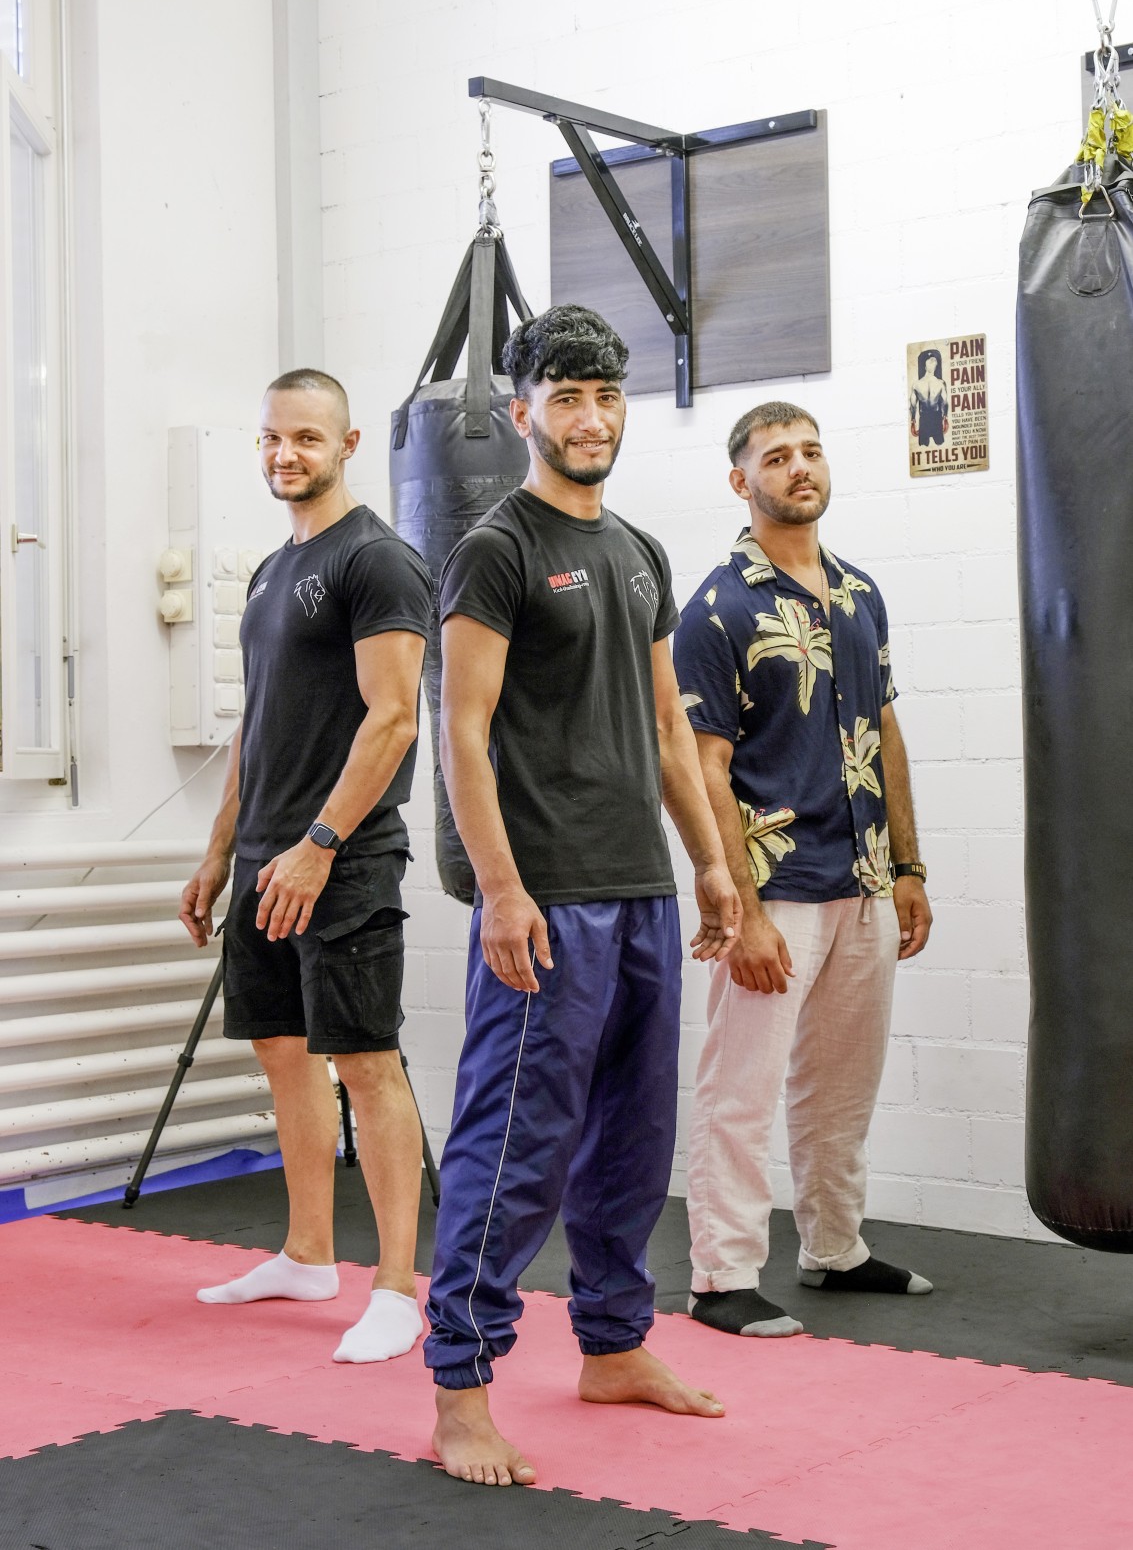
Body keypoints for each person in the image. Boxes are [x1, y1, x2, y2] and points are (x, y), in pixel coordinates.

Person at [425, 305, 742, 1487]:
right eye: (565, 395)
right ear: (521, 413)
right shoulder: (495, 547)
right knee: (515, 1144)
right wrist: (500, 889)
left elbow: (668, 721)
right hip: (546, 897)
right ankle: (460, 1386)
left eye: (605, 395)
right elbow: (461, 730)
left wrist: (709, 860)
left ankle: (613, 1344)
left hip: (641, 890)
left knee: (630, 1141)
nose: (589, 416)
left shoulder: (641, 552)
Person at [180, 368, 433, 1365]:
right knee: (283, 1052)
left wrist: (319, 844)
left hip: (343, 856)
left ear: (349, 441)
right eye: (272, 438)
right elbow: (257, 723)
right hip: (263, 856)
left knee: (364, 1063)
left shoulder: (378, 560)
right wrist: (218, 852)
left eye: (306, 438)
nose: (286, 453)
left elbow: (395, 713)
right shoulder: (270, 572)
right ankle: (306, 1251)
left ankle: (399, 1286)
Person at [674, 400, 933, 1341]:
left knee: (841, 1085)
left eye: (811, 451)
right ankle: (720, 1275)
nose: (799, 467)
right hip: (775, 884)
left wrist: (906, 863)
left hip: (863, 877)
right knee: (739, 1087)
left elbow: (885, 729)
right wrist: (738, 909)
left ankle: (834, 1248)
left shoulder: (860, 592)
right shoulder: (715, 606)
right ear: (741, 481)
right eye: (775, 457)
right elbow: (701, 767)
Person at [909, 348, 949, 446]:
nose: (934, 363)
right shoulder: (916, 384)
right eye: (931, 361)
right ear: (924, 365)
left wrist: (945, 418)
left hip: (936, 418)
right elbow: (913, 405)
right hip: (924, 420)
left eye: (935, 361)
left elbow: (945, 403)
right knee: (923, 449)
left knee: (940, 447)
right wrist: (912, 421)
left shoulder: (941, 383)